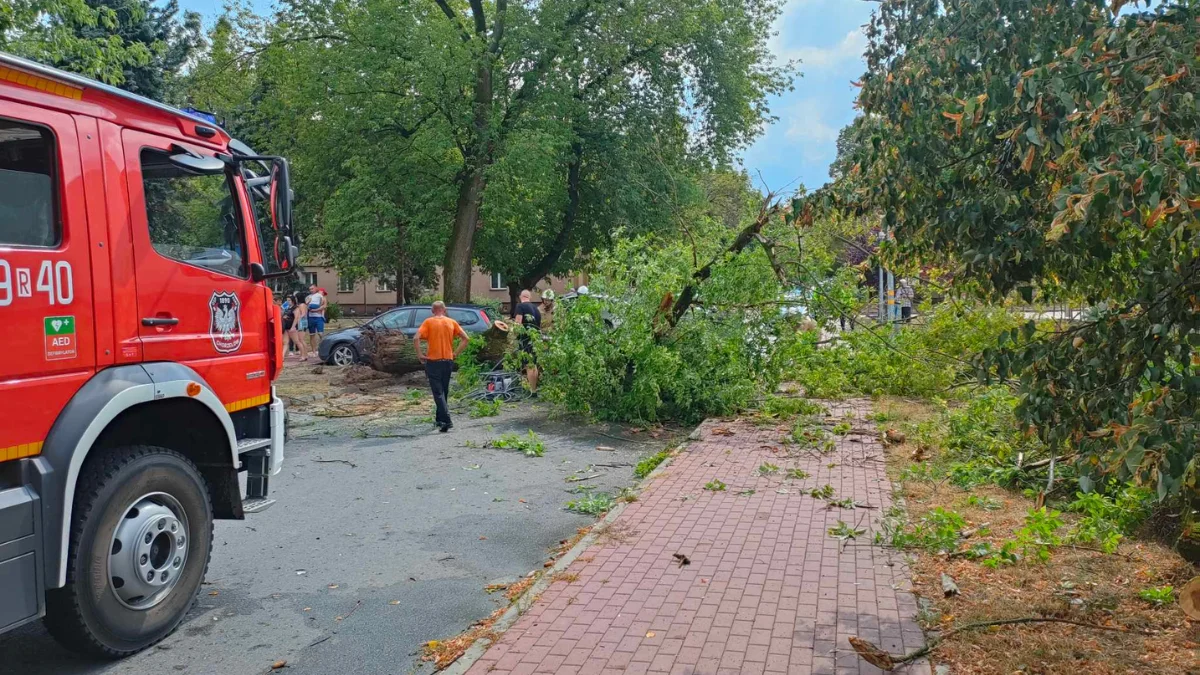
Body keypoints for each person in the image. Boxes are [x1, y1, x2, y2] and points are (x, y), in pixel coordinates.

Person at [414, 301, 471, 432]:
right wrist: (455, 353)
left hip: (433, 361)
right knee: (444, 391)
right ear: (444, 310)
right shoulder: (451, 322)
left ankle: (447, 420)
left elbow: (416, 338)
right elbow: (466, 338)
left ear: (432, 310)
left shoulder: (428, 322)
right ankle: (439, 420)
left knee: (438, 393)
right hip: (448, 360)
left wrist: (419, 354)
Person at [513, 289, 542, 393]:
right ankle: (534, 389)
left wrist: (513, 333)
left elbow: (518, 324)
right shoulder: (536, 309)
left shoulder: (520, 307)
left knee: (529, 365)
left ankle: (532, 391)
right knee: (534, 365)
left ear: (521, 297)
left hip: (525, 340)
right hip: (535, 340)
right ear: (529, 297)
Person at [306, 284, 328, 354]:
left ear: (316, 288)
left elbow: (324, 306)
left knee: (320, 334)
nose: (311, 290)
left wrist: (316, 310)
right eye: (310, 289)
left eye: (312, 289)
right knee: (312, 335)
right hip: (310, 317)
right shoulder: (308, 297)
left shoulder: (321, 296)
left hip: (319, 317)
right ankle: (314, 351)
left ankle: (323, 349)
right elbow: (305, 306)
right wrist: (308, 304)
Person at [291, 292, 310, 361]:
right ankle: (305, 355)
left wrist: (298, 318)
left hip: (302, 323)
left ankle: (304, 355)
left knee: (301, 339)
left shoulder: (301, 305)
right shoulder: (304, 304)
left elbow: (303, 314)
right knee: (301, 339)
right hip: (304, 322)